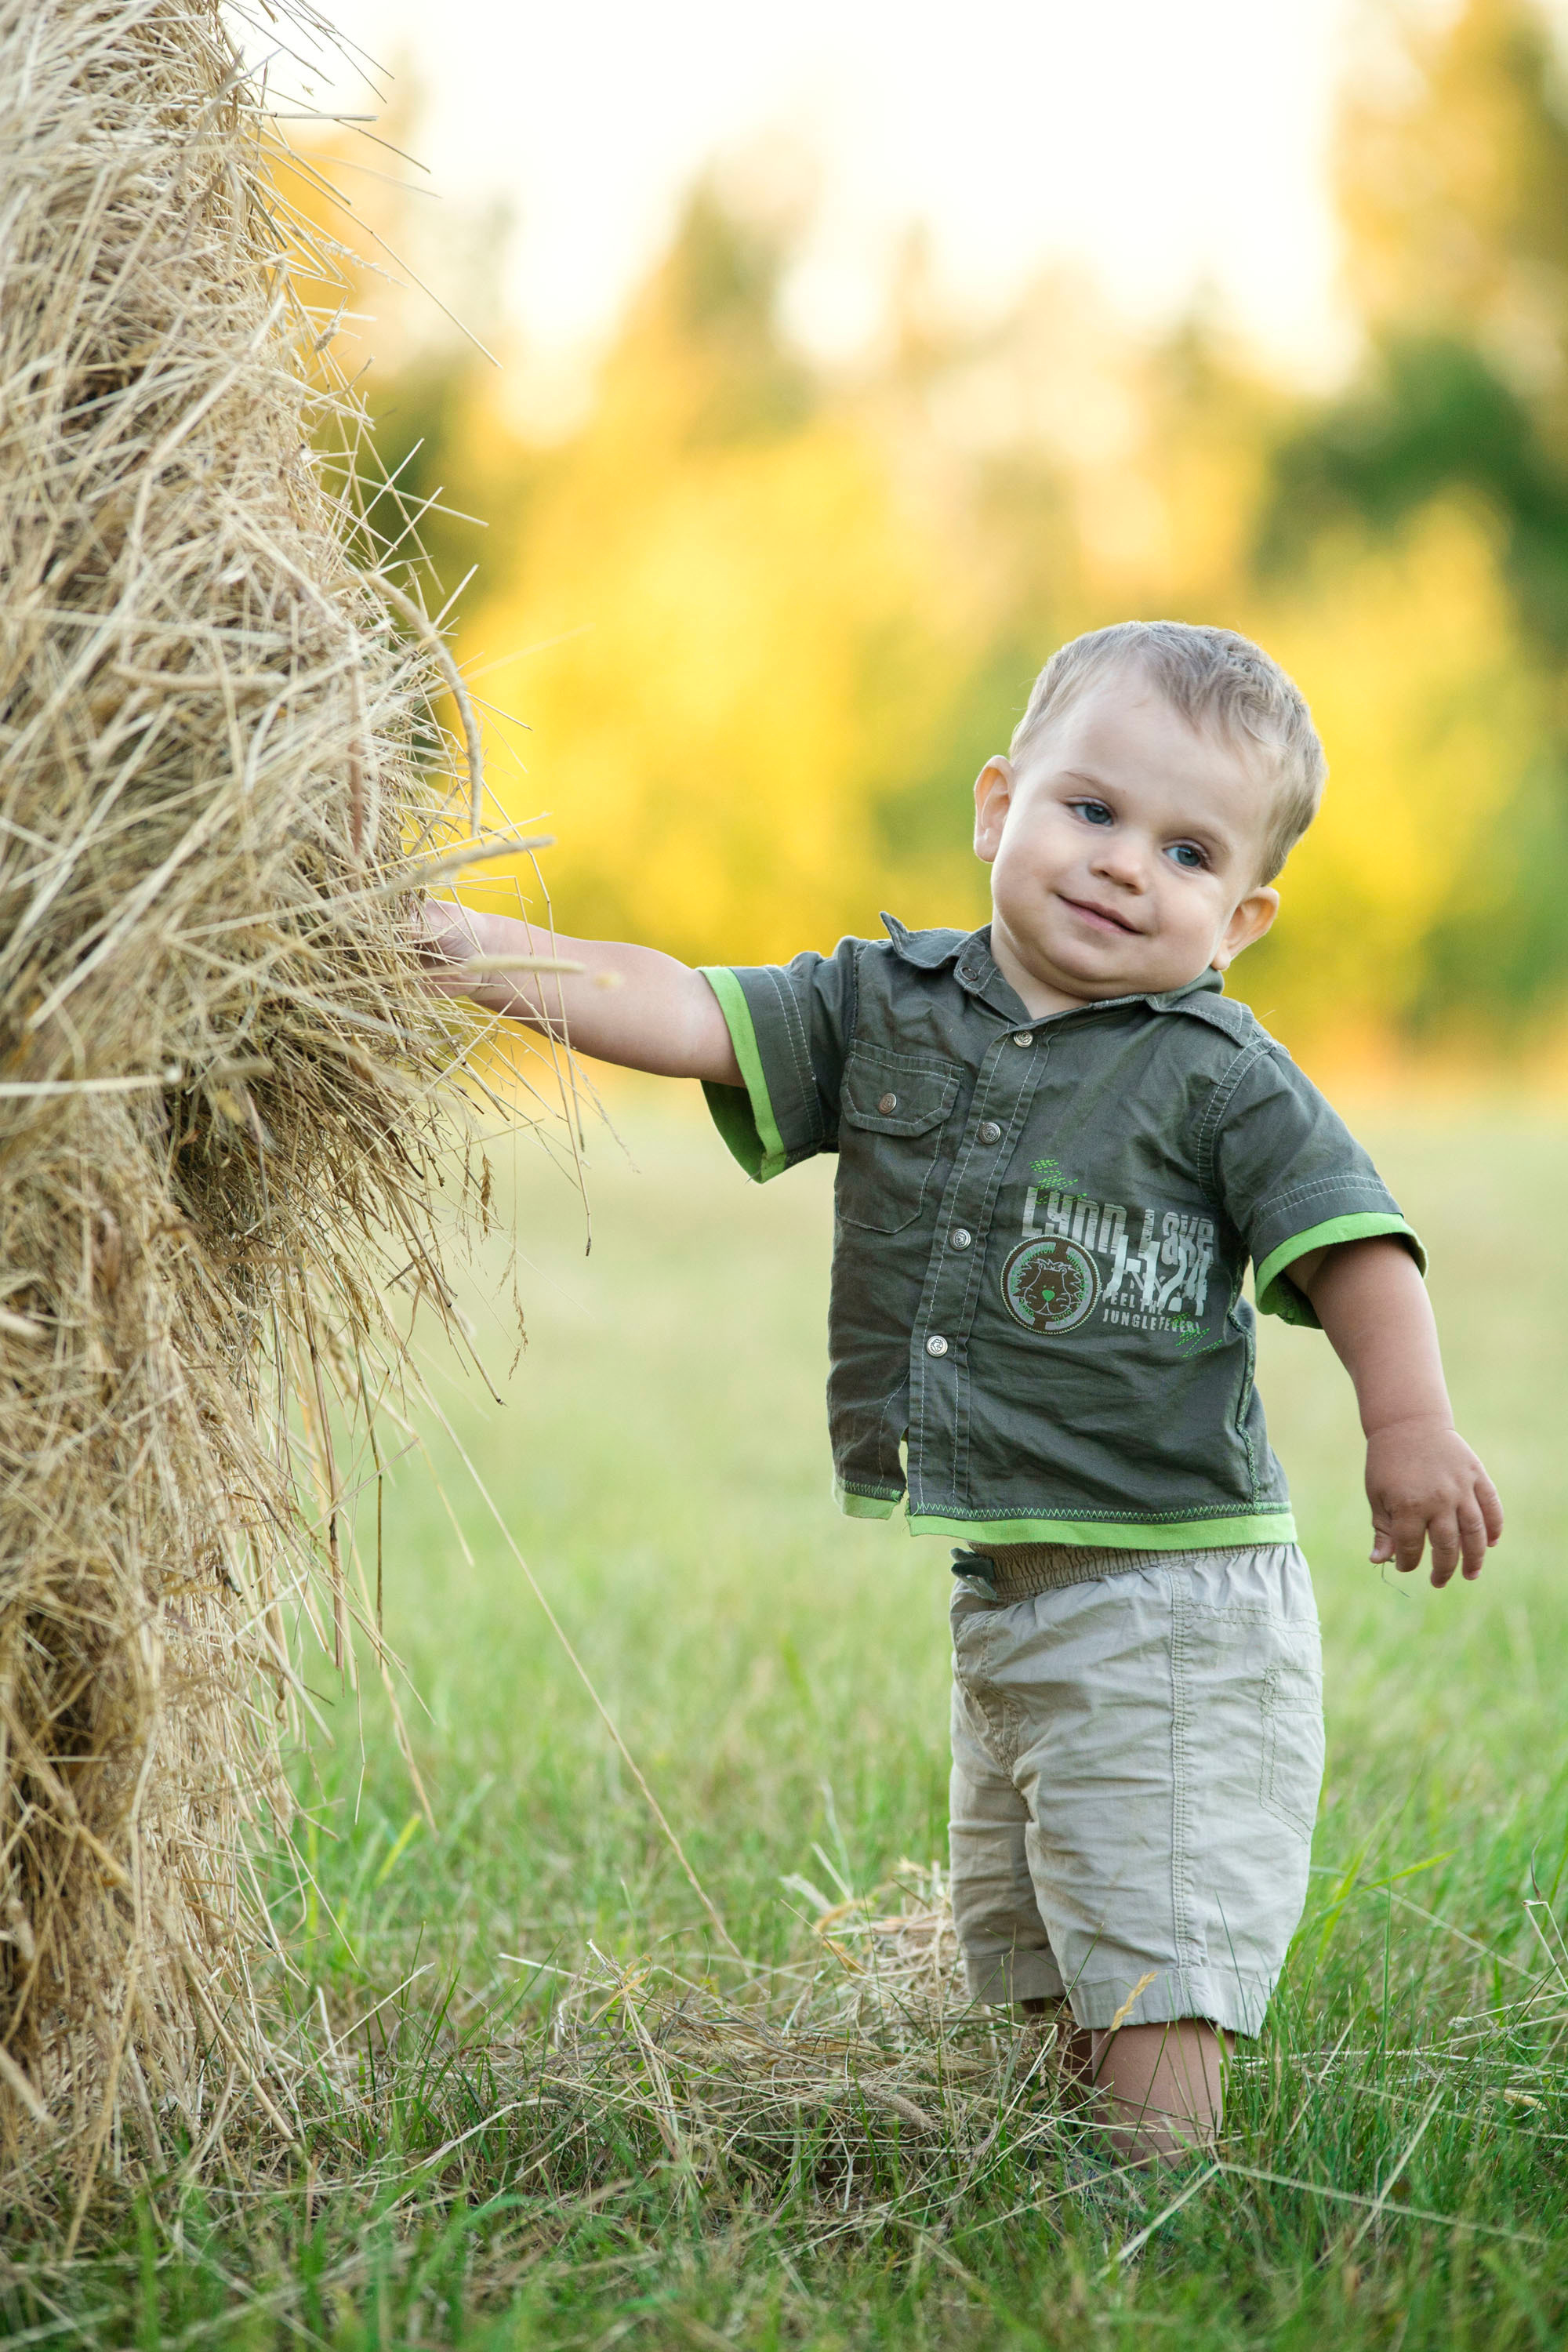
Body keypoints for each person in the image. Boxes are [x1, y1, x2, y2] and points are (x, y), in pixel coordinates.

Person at [423, 619, 1502, 2161]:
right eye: (1090, 810)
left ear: (1242, 914)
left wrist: (1409, 1431)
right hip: (1008, 1590)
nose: (1124, 863)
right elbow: (675, 1009)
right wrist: (459, 950)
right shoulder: (890, 1003)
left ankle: (1152, 2223)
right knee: (1054, 1939)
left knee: (1147, 1955)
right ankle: (1062, 2185)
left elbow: (1356, 1252)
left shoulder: (1219, 1073)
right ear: (999, 805)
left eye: (1185, 849)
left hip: (1173, 1603)